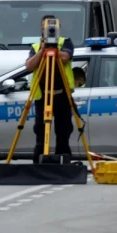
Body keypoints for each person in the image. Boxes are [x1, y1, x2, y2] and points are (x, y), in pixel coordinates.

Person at [23, 14, 76, 161]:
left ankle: (63, 160)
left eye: (52, 29)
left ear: (58, 28)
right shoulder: (35, 46)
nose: (49, 31)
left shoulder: (65, 42)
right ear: (41, 29)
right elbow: (29, 66)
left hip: (62, 96)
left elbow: (65, 58)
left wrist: (53, 49)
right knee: (40, 130)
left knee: (63, 130)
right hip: (43, 95)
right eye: (46, 29)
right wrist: (43, 49)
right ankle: (39, 160)